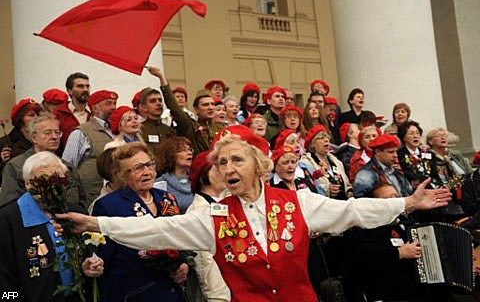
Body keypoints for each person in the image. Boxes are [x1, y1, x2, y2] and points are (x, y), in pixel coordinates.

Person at [57, 125, 452, 302]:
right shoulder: (211, 216)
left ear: (259, 165)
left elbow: (350, 210)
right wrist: (96, 223)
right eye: (220, 162)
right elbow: (159, 231)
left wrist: (406, 203)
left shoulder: (296, 201)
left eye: (236, 160)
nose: (227, 168)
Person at [91, 143, 189, 302]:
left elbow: (180, 239)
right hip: (133, 292)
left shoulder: (166, 198)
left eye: (149, 165)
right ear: (122, 174)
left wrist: (183, 265)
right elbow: (102, 261)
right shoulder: (109, 206)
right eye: (138, 168)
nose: (147, 172)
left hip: (169, 291)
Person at [0, 151, 103, 301]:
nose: (52, 187)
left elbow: (84, 256)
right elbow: (3, 285)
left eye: (57, 180)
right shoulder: (7, 220)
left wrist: (87, 267)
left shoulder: (75, 212)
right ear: (28, 183)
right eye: (43, 181)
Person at [0, 114, 83, 207]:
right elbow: (9, 204)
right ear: (34, 138)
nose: (54, 137)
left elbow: (81, 201)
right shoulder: (16, 166)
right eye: (48, 133)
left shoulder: (68, 167)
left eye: (57, 132)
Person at [187, 151, 231, 301]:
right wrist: (219, 298)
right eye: (217, 168)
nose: (225, 172)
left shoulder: (230, 200)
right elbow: (205, 264)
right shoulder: (196, 212)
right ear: (203, 176)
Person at [62, 90, 118, 207]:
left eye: (114, 103)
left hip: (117, 195)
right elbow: (67, 168)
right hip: (92, 199)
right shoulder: (81, 132)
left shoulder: (118, 131)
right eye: (108, 103)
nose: (113, 107)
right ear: (94, 108)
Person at [300, 124, 352, 199]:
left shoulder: (336, 160)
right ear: (312, 144)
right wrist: (327, 189)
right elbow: (309, 187)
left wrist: (349, 191)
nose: (326, 140)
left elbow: (347, 183)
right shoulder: (306, 162)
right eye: (321, 138)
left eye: (327, 137)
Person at [354, 134, 412, 198]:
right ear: (378, 152)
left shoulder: (397, 172)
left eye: (396, 152)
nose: (395, 155)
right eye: (391, 152)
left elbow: (409, 193)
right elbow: (359, 200)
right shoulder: (366, 173)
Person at [0, 98, 43, 185]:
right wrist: (1, 162)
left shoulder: (45, 139)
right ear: (20, 119)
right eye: (31, 115)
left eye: (38, 115)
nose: (36, 118)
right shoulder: (7, 142)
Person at [155, 137, 194, 214]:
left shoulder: (199, 180)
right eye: (183, 150)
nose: (189, 153)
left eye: (190, 149)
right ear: (170, 155)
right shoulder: (160, 184)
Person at [54, 72, 91, 152]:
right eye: (80, 86)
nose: (85, 89)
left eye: (87, 86)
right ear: (70, 91)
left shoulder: (95, 112)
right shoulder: (59, 114)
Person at [137, 86, 177, 156]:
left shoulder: (170, 131)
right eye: (153, 101)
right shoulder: (140, 130)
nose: (158, 103)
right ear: (144, 107)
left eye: (160, 100)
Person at [397, 121, 436, 189]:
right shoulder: (399, 155)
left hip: (431, 188)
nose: (415, 136)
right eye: (411, 133)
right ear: (403, 137)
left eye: (417, 133)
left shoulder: (429, 154)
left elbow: (435, 176)